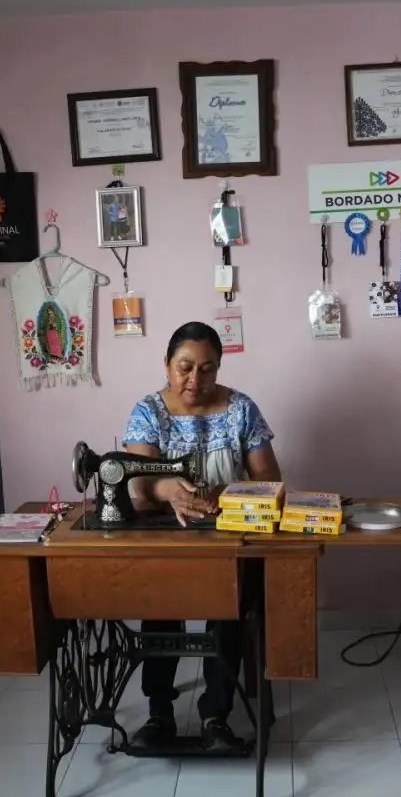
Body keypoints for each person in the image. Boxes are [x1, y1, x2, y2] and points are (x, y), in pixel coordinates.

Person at [121, 321, 281, 752]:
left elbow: (269, 477)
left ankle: (216, 715)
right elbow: (137, 483)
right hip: (164, 535)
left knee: (226, 610)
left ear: (219, 368)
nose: (196, 380)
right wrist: (169, 488)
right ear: (167, 365)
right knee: (161, 608)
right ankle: (159, 712)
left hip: (227, 532)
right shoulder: (148, 412)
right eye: (185, 367)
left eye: (207, 369)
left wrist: (224, 493)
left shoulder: (241, 409)